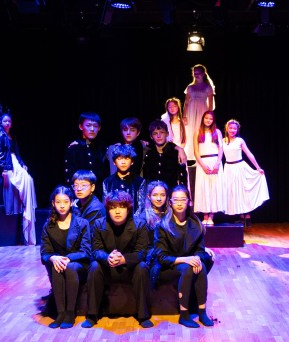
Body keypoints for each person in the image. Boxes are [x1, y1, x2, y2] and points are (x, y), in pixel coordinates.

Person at [83, 190, 153, 329]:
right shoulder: (99, 224)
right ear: (108, 209)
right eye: (113, 207)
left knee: (142, 267)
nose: (117, 211)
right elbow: (96, 250)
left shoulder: (139, 224)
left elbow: (142, 252)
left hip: (129, 269)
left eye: (121, 207)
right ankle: (92, 315)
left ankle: (143, 315)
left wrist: (124, 259)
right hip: (108, 268)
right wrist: (107, 257)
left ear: (128, 209)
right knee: (94, 266)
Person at [153, 185, 216, 328]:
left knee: (200, 266)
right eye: (176, 200)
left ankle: (202, 312)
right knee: (188, 268)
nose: (180, 203)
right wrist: (186, 260)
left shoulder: (195, 223)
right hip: (168, 266)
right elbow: (161, 257)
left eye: (183, 200)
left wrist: (197, 258)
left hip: (188, 263)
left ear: (189, 202)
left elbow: (200, 249)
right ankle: (184, 315)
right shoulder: (163, 225)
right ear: (170, 202)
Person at [39, 185, 92, 329]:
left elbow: (86, 251)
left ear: (71, 202)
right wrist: (53, 258)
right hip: (59, 263)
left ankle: (70, 313)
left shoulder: (82, 223)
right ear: (53, 203)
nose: (62, 206)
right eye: (58, 202)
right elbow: (45, 252)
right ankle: (60, 313)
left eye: (65, 202)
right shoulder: (48, 225)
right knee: (57, 267)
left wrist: (68, 258)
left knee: (69, 266)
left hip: (79, 263)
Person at [0, 112, 37, 245]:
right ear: (1, 123)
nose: (7, 123)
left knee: (29, 180)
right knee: (24, 181)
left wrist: (22, 163)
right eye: (5, 121)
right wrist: (4, 168)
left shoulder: (12, 135)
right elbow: (0, 154)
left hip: (15, 161)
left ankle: (27, 211)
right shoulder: (0, 136)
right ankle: (26, 210)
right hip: (9, 163)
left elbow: (17, 152)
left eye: (9, 121)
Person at [220, 119, 269, 220]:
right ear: (226, 129)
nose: (232, 130)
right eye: (230, 128)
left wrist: (258, 167)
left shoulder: (240, 140)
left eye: (234, 128)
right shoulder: (222, 141)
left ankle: (247, 214)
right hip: (228, 168)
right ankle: (238, 215)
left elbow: (249, 154)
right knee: (232, 191)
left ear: (237, 130)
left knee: (243, 190)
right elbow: (219, 156)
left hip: (240, 167)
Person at [193, 110, 225, 226]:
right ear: (203, 119)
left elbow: (221, 149)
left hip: (215, 161)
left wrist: (217, 164)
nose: (208, 120)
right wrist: (202, 165)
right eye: (206, 118)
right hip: (203, 163)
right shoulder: (197, 132)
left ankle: (211, 216)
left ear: (213, 120)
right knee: (203, 188)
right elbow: (196, 151)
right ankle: (205, 215)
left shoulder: (217, 132)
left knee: (214, 189)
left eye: (210, 119)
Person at [182, 64, 216, 164]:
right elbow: (186, 102)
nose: (196, 75)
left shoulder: (207, 87)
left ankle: (200, 154)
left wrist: (209, 115)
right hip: (191, 111)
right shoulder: (190, 87)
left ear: (203, 74)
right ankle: (190, 155)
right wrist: (184, 115)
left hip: (202, 110)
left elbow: (210, 104)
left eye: (198, 73)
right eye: (194, 73)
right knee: (190, 131)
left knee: (200, 130)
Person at [141, 120, 188, 190]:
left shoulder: (175, 152)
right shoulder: (148, 153)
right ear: (151, 136)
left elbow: (182, 175)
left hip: (170, 191)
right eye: (155, 133)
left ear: (167, 134)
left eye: (162, 132)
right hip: (152, 192)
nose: (158, 136)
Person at [102, 143, 147, 213]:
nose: (123, 162)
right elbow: (106, 205)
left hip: (133, 218)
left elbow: (141, 207)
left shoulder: (139, 181)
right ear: (114, 162)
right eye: (119, 159)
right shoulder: (107, 182)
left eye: (126, 158)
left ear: (132, 162)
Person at [63, 112, 105, 185]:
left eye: (95, 126)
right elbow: (69, 176)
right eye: (88, 125)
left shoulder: (103, 148)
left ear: (99, 128)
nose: (92, 129)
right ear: (81, 127)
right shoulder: (74, 148)